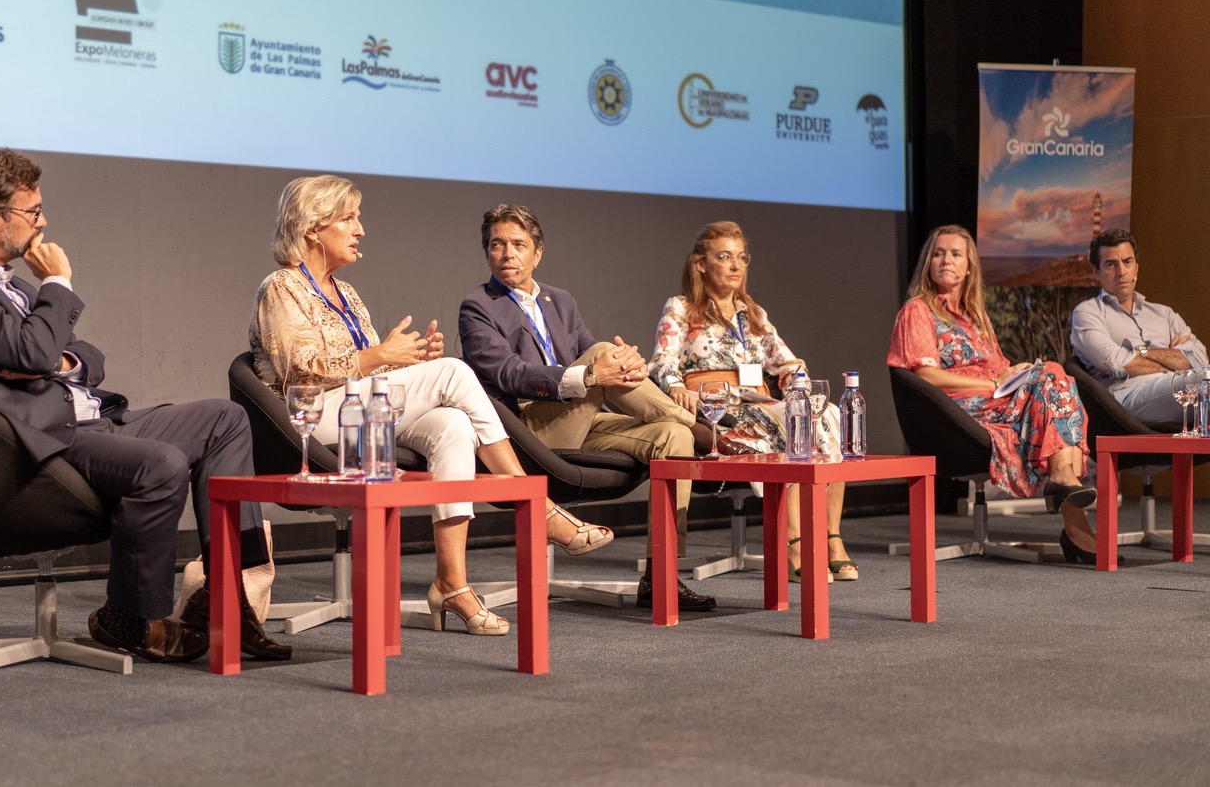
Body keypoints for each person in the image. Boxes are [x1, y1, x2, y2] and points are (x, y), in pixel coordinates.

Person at [0, 148, 290, 663]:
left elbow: (87, 355)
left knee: (225, 419)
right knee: (162, 464)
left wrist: (60, 362)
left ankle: (227, 594)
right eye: (32, 211)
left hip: (92, 416)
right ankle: (128, 615)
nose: (43, 222)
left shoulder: (10, 288)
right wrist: (56, 284)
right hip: (43, 440)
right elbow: (32, 349)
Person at [250, 176, 615, 636]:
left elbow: (367, 375)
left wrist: (407, 362)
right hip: (306, 421)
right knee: (455, 372)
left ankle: (450, 582)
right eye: (348, 219)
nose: (360, 229)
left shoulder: (346, 293)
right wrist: (383, 357)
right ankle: (535, 505)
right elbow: (297, 371)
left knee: (453, 426)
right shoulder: (282, 287)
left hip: (357, 413)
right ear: (312, 230)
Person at [458, 204, 717, 612]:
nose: (507, 253)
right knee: (601, 356)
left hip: (582, 418)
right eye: (497, 245)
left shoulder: (560, 301)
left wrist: (629, 363)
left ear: (537, 253)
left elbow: (598, 365)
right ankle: (710, 432)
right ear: (487, 252)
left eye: (518, 245)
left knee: (673, 435)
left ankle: (662, 574)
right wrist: (592, 374)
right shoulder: (477, 307)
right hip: (526, 433)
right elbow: (508, 374)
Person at [649, 220, 857, 583]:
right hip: (712, 408)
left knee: (827, 414)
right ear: (700, 263)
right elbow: (662, 362)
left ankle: (831, 538)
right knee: (786, 428)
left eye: (741, 257)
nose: (735, 265)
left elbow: (788, 364)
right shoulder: (681, 308)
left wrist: (800, 385)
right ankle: (793, 544)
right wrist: (676, 386)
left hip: (757, 401)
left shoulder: (754, 314)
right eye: (724, 256)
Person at [888, 224, 1099, 563]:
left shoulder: (976, 317)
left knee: (1053, 376)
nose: (946, 260)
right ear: (928, 263)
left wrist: (1013, 373)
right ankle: (1075, 517)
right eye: (938, 254)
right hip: (953, 412)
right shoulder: (919, 311)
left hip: (997, 401)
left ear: (969, 266)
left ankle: (1067, 492)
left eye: (956, 254)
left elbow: (998, 369)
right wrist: (989, 385)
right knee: (1054, 380)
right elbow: (924, 375)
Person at [1070, 227, 1207, 429]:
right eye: (1111, 264)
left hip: (1179, 389)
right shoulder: (1088, 313)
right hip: (1127, 400)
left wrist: (1142, 353)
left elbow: (1200, 359)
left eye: (1127, 262)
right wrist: (1175, 359)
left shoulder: (1164, 313)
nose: (1122, 272)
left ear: (1137, 267)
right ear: (1096, 272)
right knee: (1203, 382)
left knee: (1203, 380)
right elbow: (1117, 363)